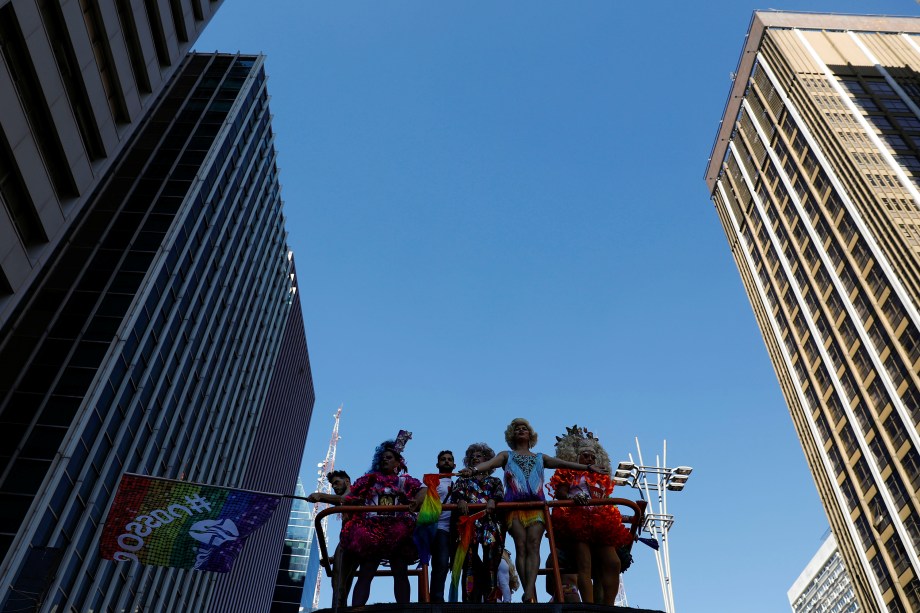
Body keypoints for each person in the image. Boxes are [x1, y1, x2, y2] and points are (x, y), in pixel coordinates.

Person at [459, 417, 607, 603]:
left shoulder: (540, 457)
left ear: (530, 435)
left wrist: (587, 467)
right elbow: (488, 465)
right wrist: (472, 470)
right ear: (512, 435)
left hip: (537, 507)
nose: (521, 430)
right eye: (517, 429)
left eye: (524, 428)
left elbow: (562, 463)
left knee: (534, 545)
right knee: (521, 546)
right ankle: (528, 588)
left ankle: (529, 590)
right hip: (514, 507)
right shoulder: (506, 455)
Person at [548, 425, 632, 605]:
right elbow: (561, 493)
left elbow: (607, 499)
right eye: (585, 455)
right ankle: (589, 604)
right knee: (584, 565)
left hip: (601, 523)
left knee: (613, 563)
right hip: (577, 519)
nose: (590, 458)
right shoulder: (568, 472)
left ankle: (608, 605)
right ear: (575, 456)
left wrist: (620, 517)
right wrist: (575, 497)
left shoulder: (601, 478)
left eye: (593, 456)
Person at [340, 434, 426, 606]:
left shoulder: (404, 481)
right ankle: (357, 609)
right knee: (366, 572)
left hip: (397, 533)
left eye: (389, 457)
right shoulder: (368, 481)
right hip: (371, 533)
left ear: (398, 462)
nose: (385, 460)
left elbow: (424, 491)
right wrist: (323, 497)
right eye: (383, 457)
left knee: (400, 571)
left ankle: (404, 609)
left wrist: (416, 501)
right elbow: (348, 497)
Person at [449, 443, 505, 602]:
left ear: (487, 460)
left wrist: (493, 500)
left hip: (490, 522)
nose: (474, 458)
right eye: (472, 456)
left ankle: (491, 599)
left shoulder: (494, 480)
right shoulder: (463, 480)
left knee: (491, 562)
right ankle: (469, 600)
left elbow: (500, 493)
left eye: (479, 456)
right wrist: (460, 500)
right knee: (469, 562)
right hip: (469, 524)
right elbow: (457, 494)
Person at [307, 470, 356, 608]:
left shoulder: (355, 492)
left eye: (337, 482)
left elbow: (344, 499)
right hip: (349, 542)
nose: (334, 487)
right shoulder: (344, 501)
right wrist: (334, 558)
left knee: (342, 582)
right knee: (341, 584)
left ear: (346, 481)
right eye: (332, 484)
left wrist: (320, 496)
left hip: (356, 542)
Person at [429, 450, 456, 603]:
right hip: (439, 527)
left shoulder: (459, 482)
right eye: (443, 459)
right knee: (441, 563)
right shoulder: (432, 481)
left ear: (454, 464)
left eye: (449, 459)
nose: (446, 461)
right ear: (437, 464)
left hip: (455, 529)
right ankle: (436, 599)